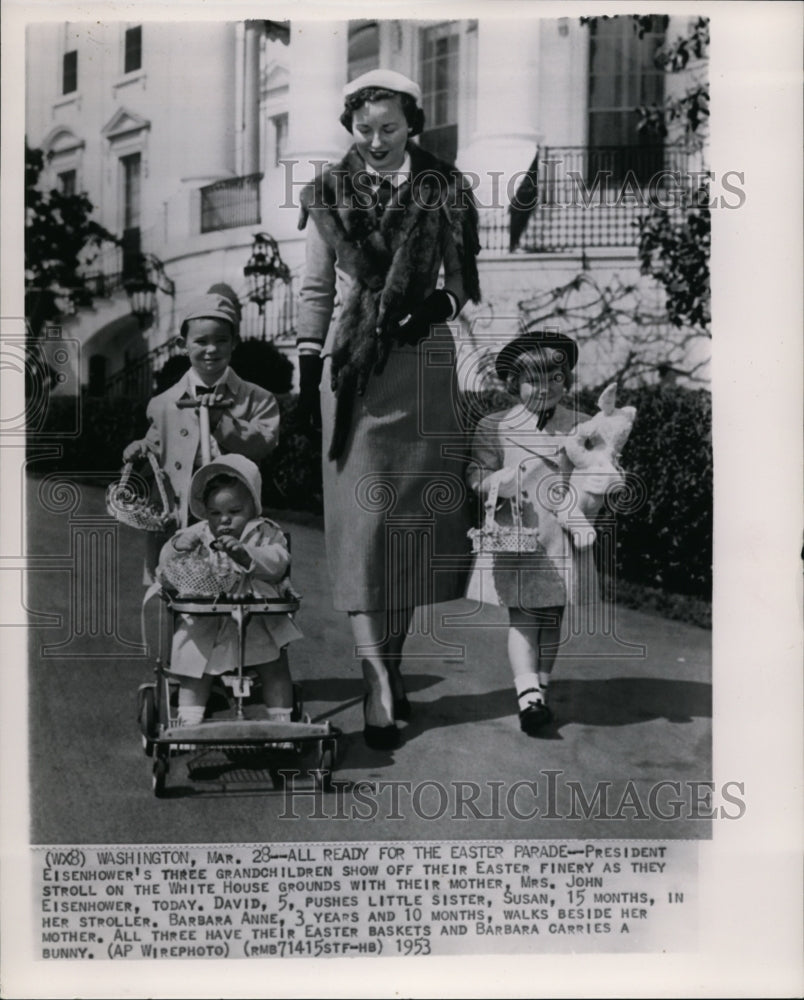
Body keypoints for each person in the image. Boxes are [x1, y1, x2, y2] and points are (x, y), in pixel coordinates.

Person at [295, 68, 481, 749]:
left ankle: (391, 666)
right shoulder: (327, 193)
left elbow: (463, 282)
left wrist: (435, 305)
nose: (374, 141)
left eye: (389, 129)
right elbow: (314, 289)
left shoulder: (446, 189)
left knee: (405, 532)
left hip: (424, 367)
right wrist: (307, 364)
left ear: (413, 127)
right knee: (364, 531)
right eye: (363, 129)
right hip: (352, 371)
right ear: (352, 128)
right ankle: (374, 676)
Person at [467, 330, 599, 735]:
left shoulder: (579, 426)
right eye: (534, 380)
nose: (545, 389)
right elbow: (477, 472)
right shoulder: (497, 425)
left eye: (555, 379)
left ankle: (540, 684)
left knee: (552, 615)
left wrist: (594, 491)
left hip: (561, 534)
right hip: (518, 533)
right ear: (513, 384)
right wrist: (493, 483)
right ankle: (528, 694)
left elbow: (595, 470)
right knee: (524, 615)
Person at [122, 292, 280, 576]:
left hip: (232, 523)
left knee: (234, 592)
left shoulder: (258, 399)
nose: (211, 349)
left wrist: (223, 422)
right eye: (201, 341)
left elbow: (264, 443)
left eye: (221, 340)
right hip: (178, 521)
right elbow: (157, 447)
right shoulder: (164, 404)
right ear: (183, 345)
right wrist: (141, 448)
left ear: (234, 343)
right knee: (178, 594)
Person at [156, 454, 302, 728]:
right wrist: (177, 546)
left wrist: (249, 556)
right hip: (207, 617)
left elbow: (279, 562)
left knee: (275, 667)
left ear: (253, 507)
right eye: (215, 513)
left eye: (234, 512)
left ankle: (282, 720)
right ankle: (189, 721)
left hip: (256, 615)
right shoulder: (199, 532)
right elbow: (166, 564)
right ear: (205, 511)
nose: (224, 521)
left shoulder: (265, 532)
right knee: (195, 670)